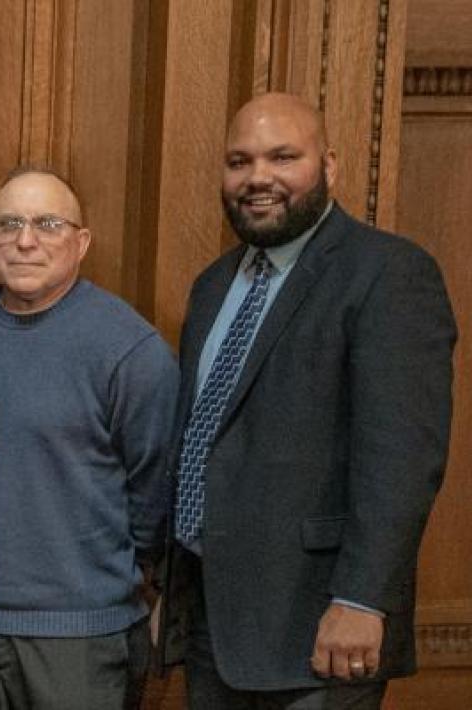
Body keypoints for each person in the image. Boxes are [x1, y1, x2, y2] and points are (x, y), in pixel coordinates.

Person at [163, 92, 457, 708]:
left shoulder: (386, 273)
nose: (257, 178)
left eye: (282, 157)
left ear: (329, 167)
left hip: (320, 627)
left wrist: (361, 598)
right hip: (217, 626)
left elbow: (401, 459)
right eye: (239, 161)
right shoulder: (215, 285)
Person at [0, 167, 178, 710]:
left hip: (81, 637)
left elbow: (154, 493)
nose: (25, 240)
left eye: (48, 224)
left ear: (82, 242)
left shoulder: (130, 350)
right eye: (9, 224)